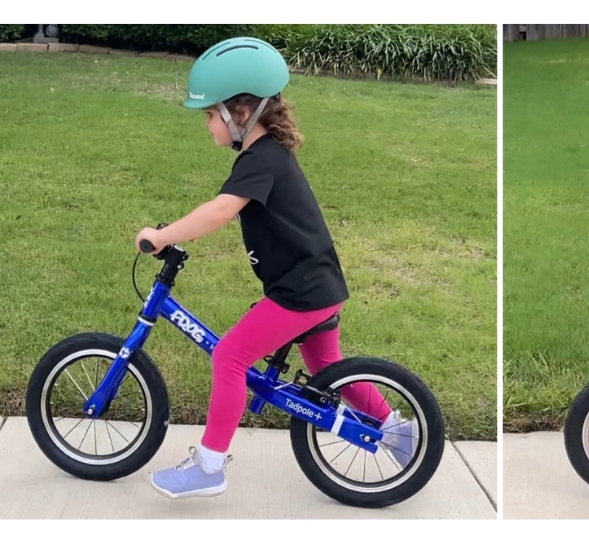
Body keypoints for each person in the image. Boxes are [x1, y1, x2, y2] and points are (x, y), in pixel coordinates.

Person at [135, 37, 417, 500]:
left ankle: (209, 467)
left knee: (229, 356)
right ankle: (400, 436)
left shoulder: (261, 159)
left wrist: (163, 236)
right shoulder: (264, 157)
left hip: (300, 290)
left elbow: (220, 211)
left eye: (209, 115)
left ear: (240, 114)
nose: (206, 124)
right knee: (326, 365)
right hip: (317, 281)